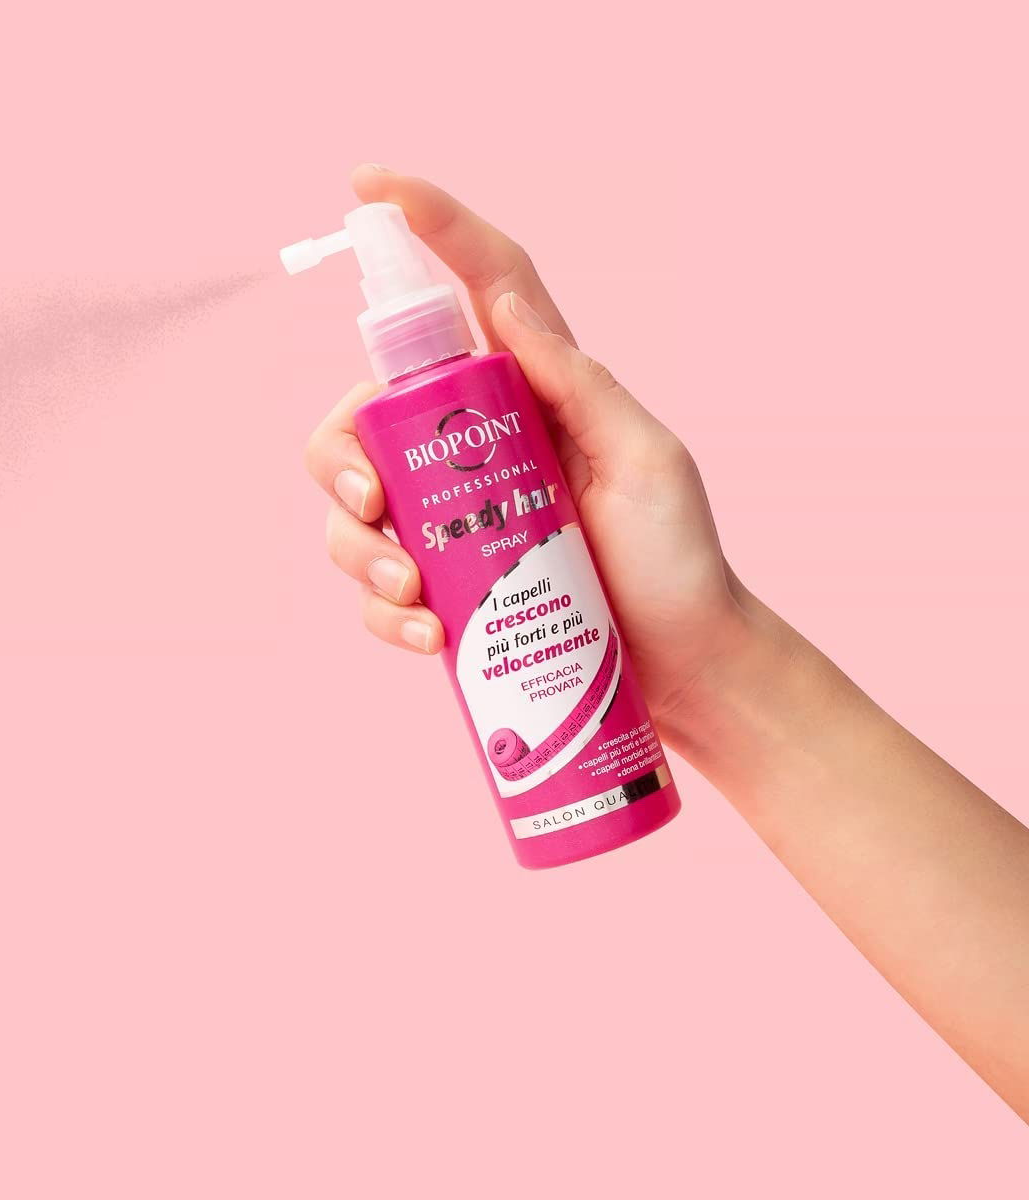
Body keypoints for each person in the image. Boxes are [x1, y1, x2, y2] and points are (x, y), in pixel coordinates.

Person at [304, 165, 1029, 1122]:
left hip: (610, 701)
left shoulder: (494, 387)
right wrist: (710, 670)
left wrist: (709, 658)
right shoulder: (401, 421)